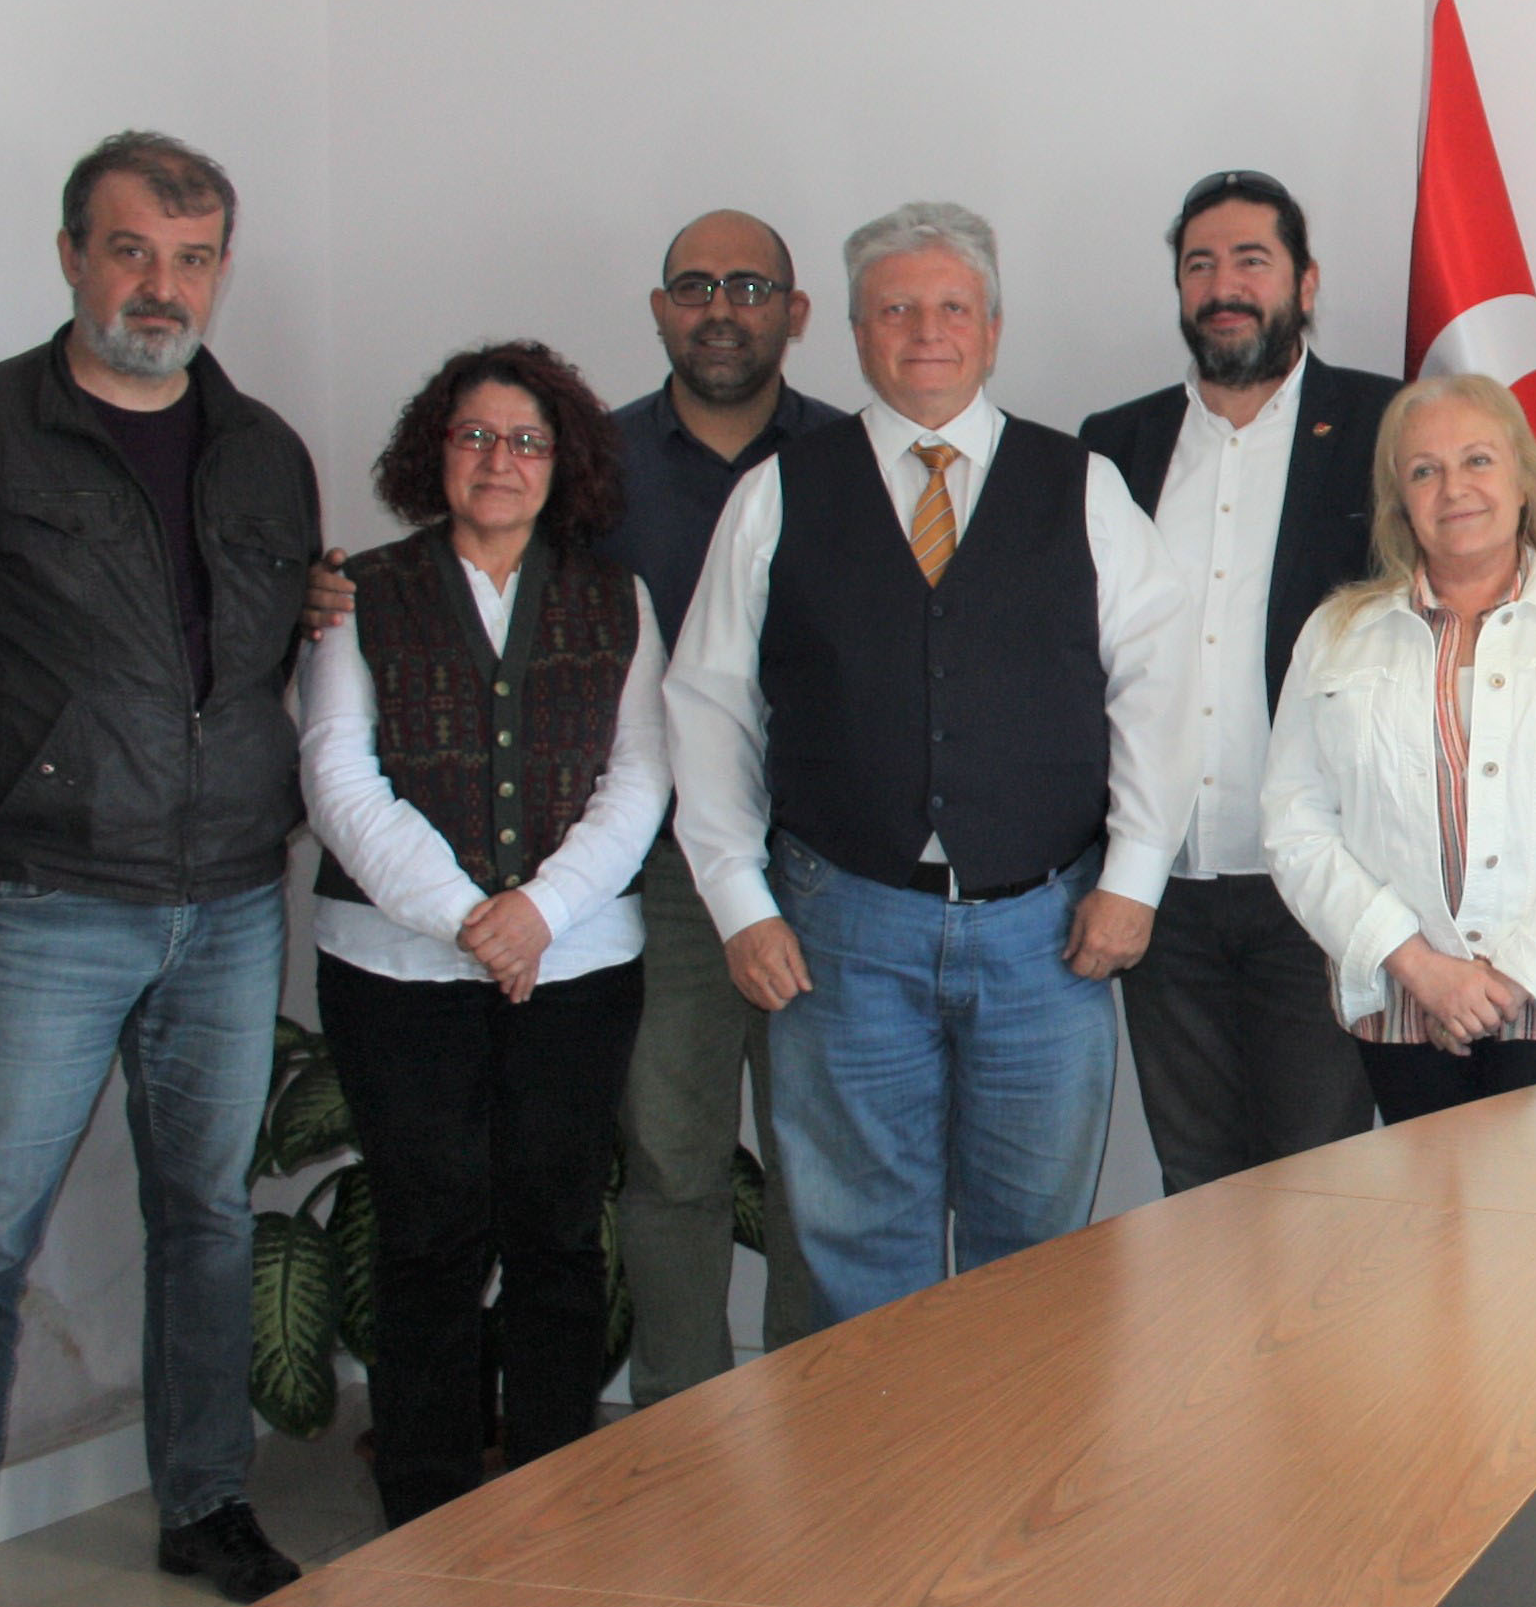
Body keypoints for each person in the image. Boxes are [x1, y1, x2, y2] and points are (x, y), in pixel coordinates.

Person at [0, 131, 315, 1607]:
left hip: (228, 899)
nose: (161, 286)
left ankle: (204, 1500)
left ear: (219, 270)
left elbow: (271, 657)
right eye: (130, 250)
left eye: (192, 257)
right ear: (71, 257)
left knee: (207, 1214)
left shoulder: (263, 451)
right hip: (43, 904)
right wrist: (13, 794)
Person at [664, 203, 1188, 1326]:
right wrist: (738, 902)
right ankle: (878, 1449)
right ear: (855, 333)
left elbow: (1158, 689)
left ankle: (1014, 1448)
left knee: (1034, 1254)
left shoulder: (1082, 485)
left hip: (1047, 933)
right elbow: (708, 705)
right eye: (896, 309)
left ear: (992, 329)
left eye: (952, 307)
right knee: (858, 1251)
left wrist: (1135, 877)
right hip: (841, 928)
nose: (926, 331)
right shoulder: (778, 492)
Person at [303, 343, 664, 1528]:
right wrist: (467, 917)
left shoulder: (616, 597)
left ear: (562, 462)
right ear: (435, 451)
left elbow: (637, 778)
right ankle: (426, 1505)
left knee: (557, 1233)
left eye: (524, 440)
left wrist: (538, 913)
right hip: (393, 969)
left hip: (578, 966)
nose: (497, 460)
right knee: (427, 1235)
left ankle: (558, 1499)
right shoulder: (362, 591)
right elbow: (338, 775)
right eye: (473, 436)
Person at [1081, 172, 1386, 1188]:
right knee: (1196, 1186)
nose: (1224, 287)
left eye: (1251, 261)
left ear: (1305, 282)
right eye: (1199, 265)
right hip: (1160, 888)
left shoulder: (1385, 426)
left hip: (1318, 883)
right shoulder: (1112, 447)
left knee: (1317, 1183)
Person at [1261, 375, 1536, 1121]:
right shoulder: (1334, 638)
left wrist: (1507, 981)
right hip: (1405, 1005)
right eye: (1424, 470)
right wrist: (1422, 971)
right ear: (1399, 501)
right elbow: (1295, 824)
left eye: (1477, 460)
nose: (1454, 489)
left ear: (1523, 480)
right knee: (1431, 1201)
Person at [596, 212, 840, 1404]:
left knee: (818, 1174)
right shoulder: (590, 466)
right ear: (660, 310)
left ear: (795, 311)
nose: (720, 309)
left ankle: (815, 1432)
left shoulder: (852, 458)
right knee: (669, 1163)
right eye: (694, 286)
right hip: (660, 872)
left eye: (749, 286)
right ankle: (676, 1434)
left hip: (823, 871)